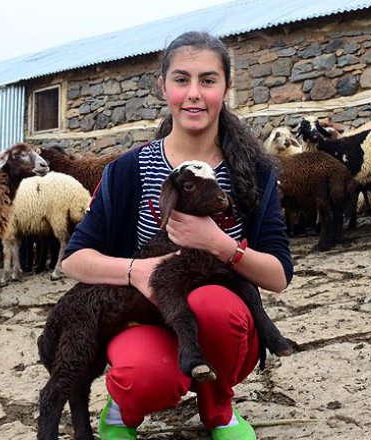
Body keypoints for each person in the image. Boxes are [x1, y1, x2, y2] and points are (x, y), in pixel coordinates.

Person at [61, 31, 293, 440]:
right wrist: (139, 271)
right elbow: (75, 259)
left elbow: (277, 277)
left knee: (213, 305)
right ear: (163, 86)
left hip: (221, 325)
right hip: (145, 317)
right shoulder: (128, 170)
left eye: (208, 80)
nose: (194, 94)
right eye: (182, 79)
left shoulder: (253, 172)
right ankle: (122, 409)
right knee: (143, 375)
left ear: (226, 87)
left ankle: (218, 410)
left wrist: (219, 244)